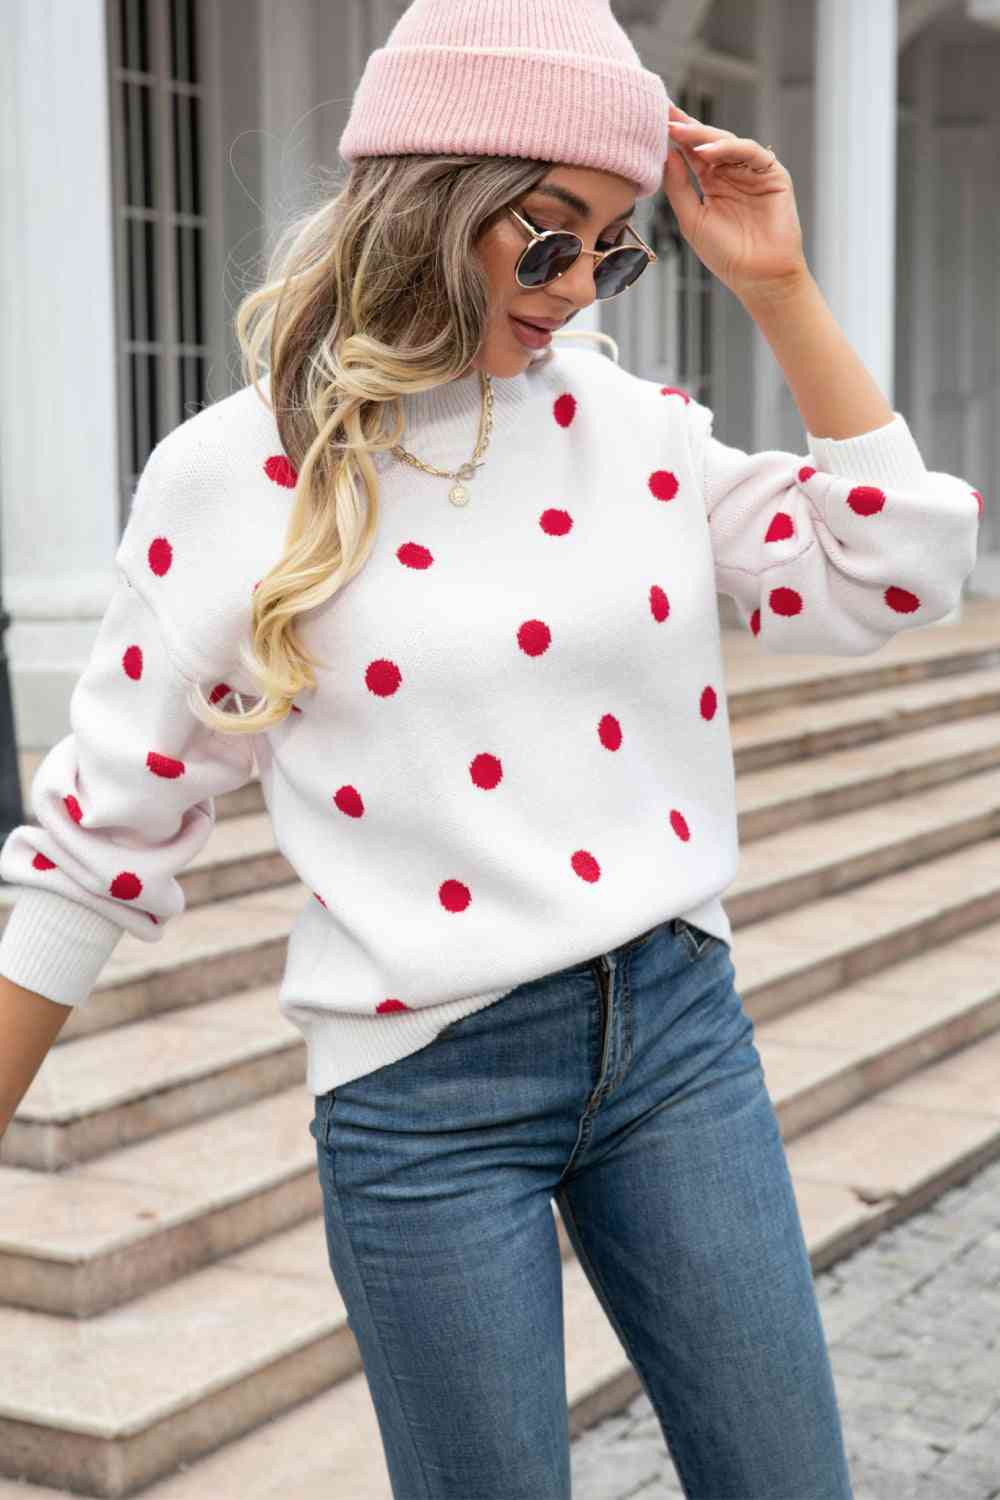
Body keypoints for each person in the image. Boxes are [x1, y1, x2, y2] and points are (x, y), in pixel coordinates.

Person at [0, 0, 982, 1495]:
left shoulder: (635, 430)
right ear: (431, 197)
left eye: (612, 249)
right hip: (422, 1089)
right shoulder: (228, 477)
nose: (577, 289)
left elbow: (896, 573)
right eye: (548, 238)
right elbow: (94, 845)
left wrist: (779, 288)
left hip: (676, 1034)